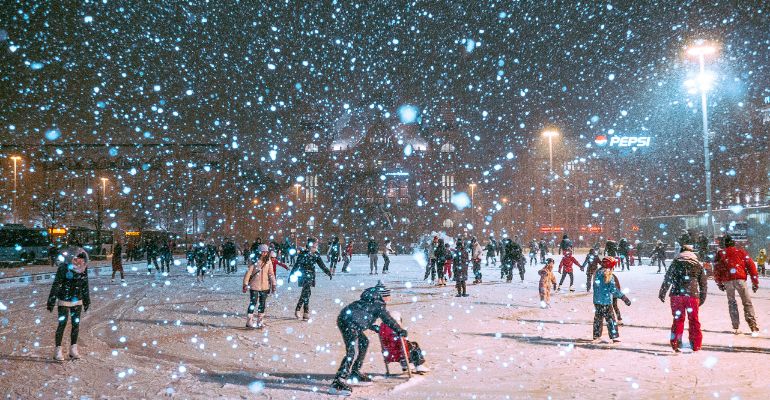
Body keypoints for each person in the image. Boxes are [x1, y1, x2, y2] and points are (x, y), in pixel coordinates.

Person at [330, 282, 407, 395]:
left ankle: (355, 372)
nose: (389, 298)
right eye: (388, 296)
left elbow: (361, 315)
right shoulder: (378, 305)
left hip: (347, 320)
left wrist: (371, 326)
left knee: (364, 342)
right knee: (353, 351)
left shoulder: (370, 301)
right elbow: (388, 320)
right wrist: (399, 330)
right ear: (383, 296)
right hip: (349, 324)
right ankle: (338, 382)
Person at [658, 244, 707, 352]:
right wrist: (702, 296)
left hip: (676, 295)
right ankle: (696, 344)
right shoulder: (697, 264)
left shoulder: (675, 263)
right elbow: (703, 282)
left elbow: (668, 278)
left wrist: (663, 292)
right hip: (692, 296)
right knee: (694, 320)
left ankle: (675, 341)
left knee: (678, 319)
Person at [46, 247, 91, 361]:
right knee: (62, 324)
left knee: (76, 325)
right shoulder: (64, 267)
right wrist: (51, 299)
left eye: (82, 260)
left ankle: (73, 349)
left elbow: (85, 284)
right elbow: (57, 284)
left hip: (77, 300)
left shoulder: (83, 269)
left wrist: (86, 299)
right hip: (64, 299)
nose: (80, 262)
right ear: (72, 258)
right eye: (77, 259)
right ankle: (58, 349)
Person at [714, 234, 760, 334]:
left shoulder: (721, 254)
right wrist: (755, 282)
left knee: (732, 303)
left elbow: (717, 269)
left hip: (727, 281)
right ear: (733, 243)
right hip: (740, 279)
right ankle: (752, 325)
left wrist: (719, 282)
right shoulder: (741, 252)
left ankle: (735, 326)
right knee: (747, 302)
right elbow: (751, 267)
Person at [289, 238, 333, 321]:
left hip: (311, 275)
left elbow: (321, 265)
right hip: (303, 274)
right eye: (316, 243)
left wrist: (328, 272)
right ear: (311, 244)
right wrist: (291, 274)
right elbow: (297, 265)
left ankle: (300, 310)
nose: (317, 245)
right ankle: (304, 311)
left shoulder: (316, 254)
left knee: (307, 292)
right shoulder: (303, 253)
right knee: (306, 292)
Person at [591, 257, 632, 343]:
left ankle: (596, 335)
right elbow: (613, 290)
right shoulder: (609, 275)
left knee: (598, 318)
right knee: (610, 319)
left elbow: (596, 287)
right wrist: (624, 297)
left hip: (597, 301)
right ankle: (614, 336)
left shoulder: (597, 273)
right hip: (606, 301)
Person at [243, 244, 276, 329]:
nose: (264, 253)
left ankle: (260, 321)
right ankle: (249, 321)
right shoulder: (254, 260)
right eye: (263, 251)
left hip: (265, 286)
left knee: (262, 304)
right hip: (254, 285)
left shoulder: (268, 261)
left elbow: (271, 274)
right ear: (259, 251)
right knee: (253, 303)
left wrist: (274, 284)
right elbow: (249, 273)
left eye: (266, 252)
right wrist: (245, 283)